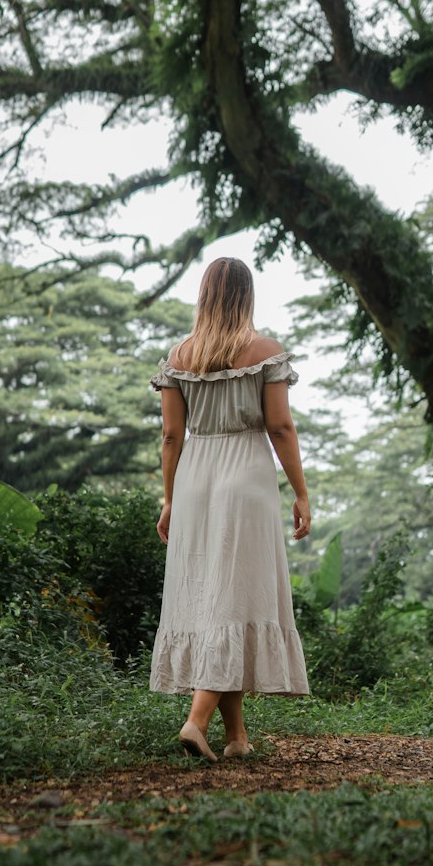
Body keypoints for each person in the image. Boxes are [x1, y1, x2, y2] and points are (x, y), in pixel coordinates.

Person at [149, 257, 310, 761]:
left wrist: (171, 497)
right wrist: (301, 492)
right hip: (245, 476)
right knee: (235, 598)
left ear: (204, 295)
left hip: (196, 477)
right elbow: (280, 427)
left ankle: (237, 737)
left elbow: (171, 435)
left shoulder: (181, 355)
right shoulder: (264, 351)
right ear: (246, 295)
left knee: (216, 599)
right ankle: (196, 722)